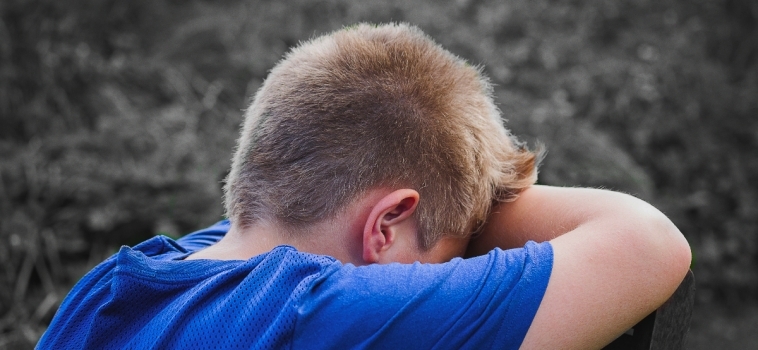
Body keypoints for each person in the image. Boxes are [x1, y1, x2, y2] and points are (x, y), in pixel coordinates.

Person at [37, 23, 691, 349]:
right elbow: (649, 243)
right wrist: (474, 203)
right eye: (448, 261)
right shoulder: (320, 313)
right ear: (385, 225)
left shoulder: (114, 288)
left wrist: (450, 203)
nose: (445, 274)